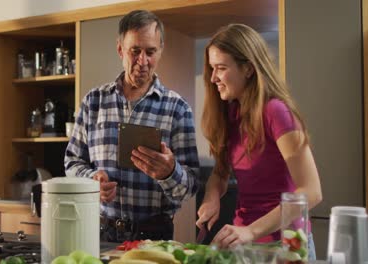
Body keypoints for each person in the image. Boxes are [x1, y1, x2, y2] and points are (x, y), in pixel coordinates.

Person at [64, 10, 199, 242]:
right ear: (120, 50)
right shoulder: (93, 101)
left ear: (160, 50)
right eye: (135, 51)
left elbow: (192, 185)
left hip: (155, 235)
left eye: (150, 52)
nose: (142, 61)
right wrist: (91, 180)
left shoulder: (178, 108)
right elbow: (72, 162)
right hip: (99, 232)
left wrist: (170, 172)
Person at [196, 24, 322, 260]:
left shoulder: (276, 112)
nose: (213, 78)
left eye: (221, 68)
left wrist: (250, 231)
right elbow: (220, 173)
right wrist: (212, 196)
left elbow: (312, 191)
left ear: (248, 69)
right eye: (212, 68)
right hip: (245, 243)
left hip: (287, 246)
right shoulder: (231, 113)